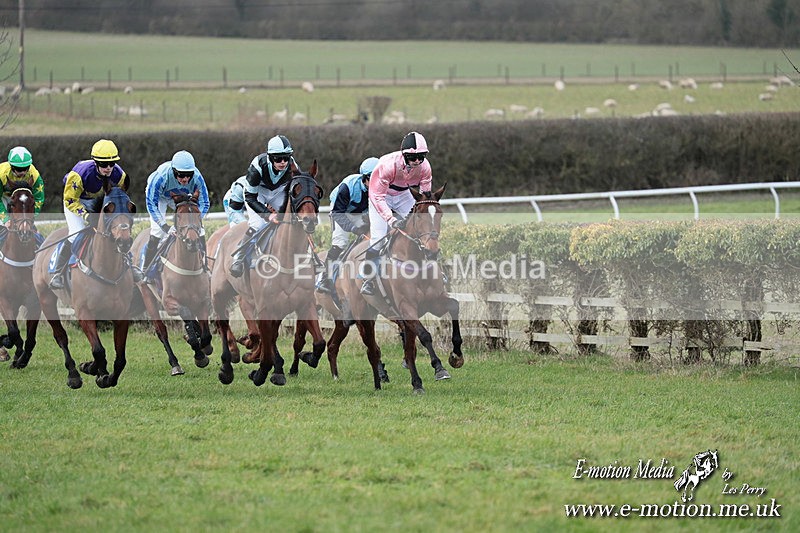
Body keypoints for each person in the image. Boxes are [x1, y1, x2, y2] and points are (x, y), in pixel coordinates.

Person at [50, 139, 143, 289]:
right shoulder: (79, 175)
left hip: (99, 202)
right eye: (104, 164)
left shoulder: (119, 175)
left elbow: (121, 197)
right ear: (95, 162)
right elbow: (70, 200)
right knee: (76, 233)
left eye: (112, 164)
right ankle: (58, 272)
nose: (108, 168)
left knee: (119, 232)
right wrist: (86, 215)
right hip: (76, 201)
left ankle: (130, 265)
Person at [360, 131, 432, 296]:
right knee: (378, 238)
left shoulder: (425, 167)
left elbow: (424, 197)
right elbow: (377, 196)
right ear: (404, 155)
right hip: (380, 196)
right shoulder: (388, 165)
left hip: (404, 195)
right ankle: (368, 280)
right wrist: (391, 220)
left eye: (421, 157)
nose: (418, 161)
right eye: (413, 158)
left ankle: (433, 272)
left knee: (420, 230)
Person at [230, 134, 299, 278]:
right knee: (258, 224)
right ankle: (239, 258)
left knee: (291, 221)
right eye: (278, 158)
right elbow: (250, 197)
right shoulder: (257, 166)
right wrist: (268, 214)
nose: (282, 162)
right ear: (269, 157)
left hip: (279, 192)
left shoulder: (293, 167)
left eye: (286, 158)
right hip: (257, 194)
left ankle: (308, 256)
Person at [141, 150, 210, 279]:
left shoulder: (197, 178)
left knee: (200, 231)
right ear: (174, 171)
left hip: (181, 196)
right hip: (160, 198)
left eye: (189, 175)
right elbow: (151, 204)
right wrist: (165, 226)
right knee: (157, 232)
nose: (185, 179)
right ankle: (146, 269)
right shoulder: (160, 177)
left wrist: (194, 221)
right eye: (181, 175)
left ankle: (205, 266)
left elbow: (205, 203)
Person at [316, 156, 378, 294]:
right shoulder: (348, 187)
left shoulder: (381, 187)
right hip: (341, 211)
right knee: (340, 243)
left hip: (361, 213)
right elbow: (338, 214)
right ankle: (324, 279)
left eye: (378, 179)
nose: (376, 184)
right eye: (372, 180)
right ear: (364, 178)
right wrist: (353, 228)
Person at [0, 146, 45, 248]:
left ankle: (43, 250)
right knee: (4, 227)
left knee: (30, 228)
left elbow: (38, 199)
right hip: (3, 199)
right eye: (19, 169)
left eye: (25, 168)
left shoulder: (35, 175)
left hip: (23, 200)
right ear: (11, 166)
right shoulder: (1, 174)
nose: (23, 172)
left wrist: (29, 218)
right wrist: (6, 219)